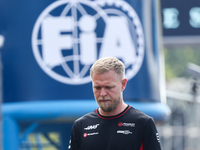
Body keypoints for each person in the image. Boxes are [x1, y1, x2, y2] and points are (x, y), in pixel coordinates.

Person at [68, 57, 162, 150]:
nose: (102, 93)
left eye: (108, 87)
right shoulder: (81, 125)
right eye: (97, 87)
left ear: (123, 84)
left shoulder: (143, 123)